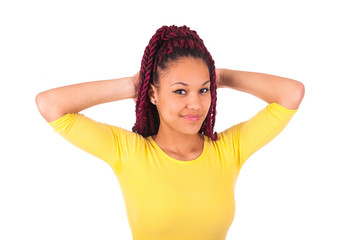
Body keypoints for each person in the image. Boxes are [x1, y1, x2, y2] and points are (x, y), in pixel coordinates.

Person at [36, 25, 305, 240]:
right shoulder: (129, 152)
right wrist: (132, 85)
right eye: (180, 91)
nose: (196, 104)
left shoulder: (229, 150)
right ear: (153, 93)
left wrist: (220, 76)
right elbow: (50, 104)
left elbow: (291, 94)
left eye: (203, 89)